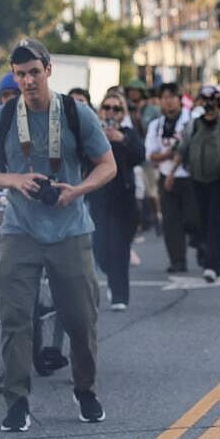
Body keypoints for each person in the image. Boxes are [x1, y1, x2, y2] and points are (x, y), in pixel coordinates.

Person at [0, 38, 117, 431]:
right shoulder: (1, 117)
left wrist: (77, 190)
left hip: (70, 229)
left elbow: (107, 165)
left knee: (81, 319)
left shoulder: (75, 112)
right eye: (20, 74)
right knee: (14, 317)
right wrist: (14, 179)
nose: (28, 80)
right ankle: (16, 401)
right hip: (19, 231)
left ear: (48, 70)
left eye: (34, 72)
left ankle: (85, 390)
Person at [88, 89, 144, 310]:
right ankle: (111, 273)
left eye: (116, 108)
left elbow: (141, 155)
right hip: (99, 197)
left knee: (119, 248)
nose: (111, 112)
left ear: (123, 113)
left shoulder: (129, 133)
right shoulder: (92, 131)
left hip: (124, 200)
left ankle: (120, 295)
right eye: (107, 107)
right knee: (101, 248)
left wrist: (122, 140)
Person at [177, 84, 220, 282]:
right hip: (196, 179)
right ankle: (213, 262)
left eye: (212, 100)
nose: (208, 104)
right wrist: (171, 174)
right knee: (197, 221)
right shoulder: (193, 124)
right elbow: (183, 148)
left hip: (218, 180)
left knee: (213, 223)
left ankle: (212, 265)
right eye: (205, 100)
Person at [145, 82, 196, 274]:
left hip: (190, 177)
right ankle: (178, 260)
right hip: (166, 177)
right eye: (164, 98)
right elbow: (151, 155)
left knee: (192, 218)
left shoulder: (191, 120)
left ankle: (198, 244)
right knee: (171, 222)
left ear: (180, 99)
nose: (168, 102)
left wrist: (170, 154)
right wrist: (170, 154)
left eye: (172, 97)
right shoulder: (155, 125)